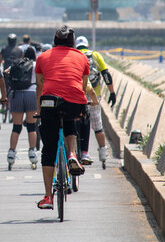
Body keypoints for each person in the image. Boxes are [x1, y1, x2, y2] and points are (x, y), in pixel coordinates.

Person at [35, 25, 89, 209]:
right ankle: (72, 154)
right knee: (71, 118)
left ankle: (48, 197)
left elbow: (40, 88)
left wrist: (39, 111)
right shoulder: (82, 57)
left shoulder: (42, 57)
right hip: (75, 102)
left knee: (48, 150)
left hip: (49, 103)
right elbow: (82, 86)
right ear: (73, 42)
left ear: (54, 40)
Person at [75, 36, 117, 164]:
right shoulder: (95, 55)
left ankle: (79, 151)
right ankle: (103, 153)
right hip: (94, 95)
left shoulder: (74, 55)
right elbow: (105, 74)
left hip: (77, 94)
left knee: (76, 121)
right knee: (97, 124)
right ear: (87, 46)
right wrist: (112, 92)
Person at [6, 46, 39, 167]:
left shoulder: (18, 63)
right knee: (31, 126)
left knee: (16, 127)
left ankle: (11, 154)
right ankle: (32, 153)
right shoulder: (36, 64)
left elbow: (6, 73)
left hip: (17, 94)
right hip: (32, 94)